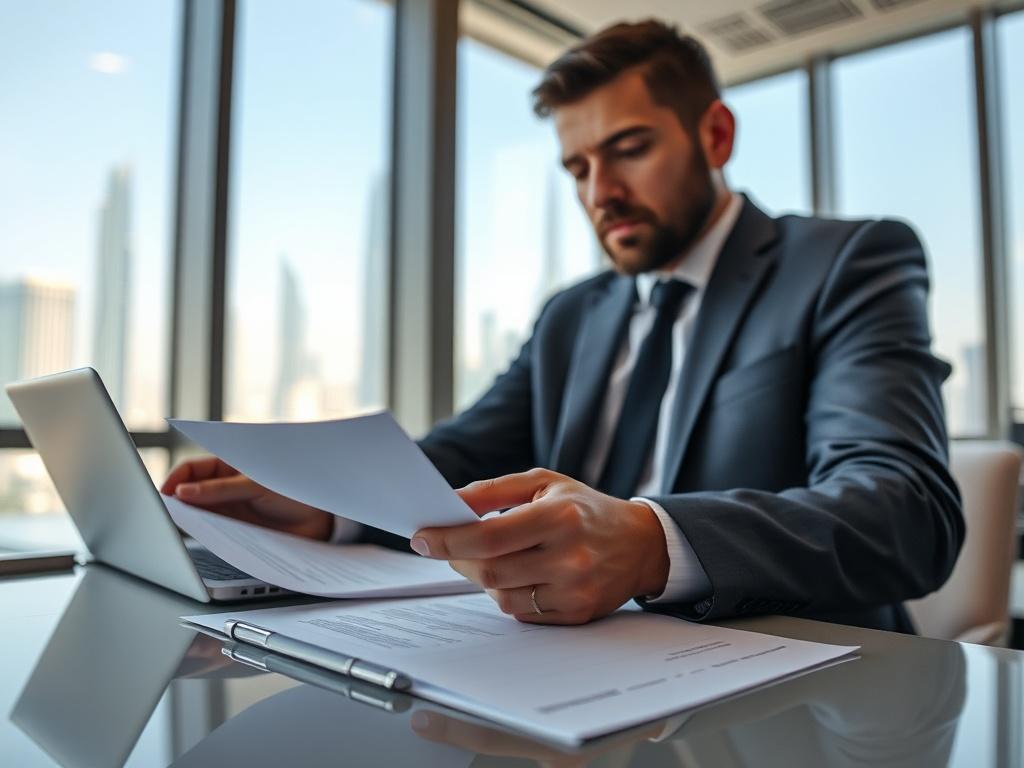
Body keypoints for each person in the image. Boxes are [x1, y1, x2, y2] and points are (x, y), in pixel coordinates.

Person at [162, 20, 963, 633]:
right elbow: (457, 461)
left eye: (630, 150)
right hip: (576, 673)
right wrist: (324, 503)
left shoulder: (846, 262)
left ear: (714, 136)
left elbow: (903, 510)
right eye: (578, 168)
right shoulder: (573, 316)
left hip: (805, 688)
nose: (600, 191)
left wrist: (654, 542)